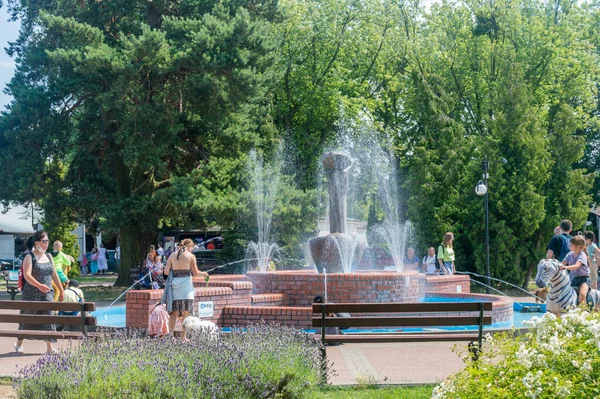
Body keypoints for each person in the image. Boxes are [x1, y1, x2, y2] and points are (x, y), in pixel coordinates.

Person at [14, 231, 64, 355]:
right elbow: (27, 275)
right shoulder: (29, 257)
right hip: (31, 293)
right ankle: (19, 342)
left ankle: (49, 347)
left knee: (49, 317)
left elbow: (54, 274)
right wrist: (39, 285)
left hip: (47, 293)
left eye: (47, 241)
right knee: (27, 319)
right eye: (44, 241)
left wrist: (61, 290)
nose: (47, 243)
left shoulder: (49, 256)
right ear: (37, 243)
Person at [161, 238, 201, 340]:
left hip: (175, 286)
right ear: (189, 246)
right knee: (186, 312)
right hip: (186, 287)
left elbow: (165, 272)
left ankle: (170, 336)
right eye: (192, 247)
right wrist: (205, 274)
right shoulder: (191, 256)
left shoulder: (172, 255)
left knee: (173, 313)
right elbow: (196, 273)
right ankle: (184, 337)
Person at [560, 235, 591, 306]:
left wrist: (565, 267)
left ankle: (583, 311)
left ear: (578, 246)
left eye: (571, 244)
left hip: (584, 279)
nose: (569, 245)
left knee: (582, 294)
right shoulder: (569, 254)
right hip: (573, 279)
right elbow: (562, 263)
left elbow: (576, 266)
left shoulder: (582, 255)